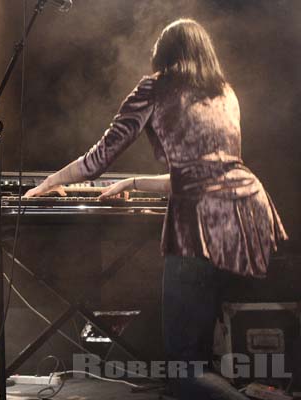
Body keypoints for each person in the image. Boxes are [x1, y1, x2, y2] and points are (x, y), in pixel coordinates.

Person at [25, 19, 287, 399]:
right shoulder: (225, 93)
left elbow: (100, 158)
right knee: (198, 357)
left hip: (201, 221)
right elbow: (203, 172)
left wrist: (51, 181)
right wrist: (132, 183)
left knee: (183, 370)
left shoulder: (155, 88)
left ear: (162, 54)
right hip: (248, 210)